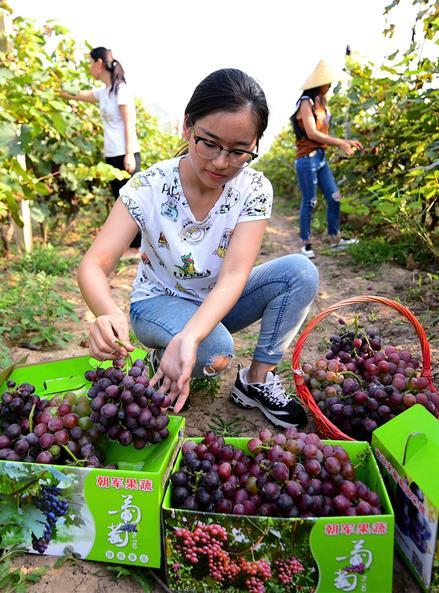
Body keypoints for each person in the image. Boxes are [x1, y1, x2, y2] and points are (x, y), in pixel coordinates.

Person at [77, 68, 318, 429]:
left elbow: (236, 274)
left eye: (239, 152)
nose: (221, 163)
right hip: (158, 301)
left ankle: (255, 380)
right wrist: (106, 311)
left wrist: (190, 334)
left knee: (300, 272)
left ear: (255, 147)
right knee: (215, 352)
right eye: (209, 143)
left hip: (218, 299)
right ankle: (160, 360)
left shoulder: (253, 189)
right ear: (187, 127)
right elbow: (95, 263)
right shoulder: (150, 187)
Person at [61, 47, 142, 253]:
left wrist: (130, 154)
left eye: (90, 62)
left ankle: (142, 245)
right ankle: (133, 245)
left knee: (132, 200)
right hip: (112, 154)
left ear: (99, 63)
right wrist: (58, 89)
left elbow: (129, 123)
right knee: (120, 200)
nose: (89, 67)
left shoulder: (121, 91)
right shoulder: (104, 92)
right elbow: (79, 95)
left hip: (126, 154)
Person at [291, 59, 362, 259]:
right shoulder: (306, 103)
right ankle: (305, 244)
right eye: (327, 82)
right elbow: (312, 133)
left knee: (334, 197)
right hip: (306, 159)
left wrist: (345, 141)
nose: (330, 86)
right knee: (310, 201)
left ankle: (335, 238)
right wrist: (340, 142)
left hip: (321, 158)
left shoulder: (323, 103)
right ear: (318, 83)